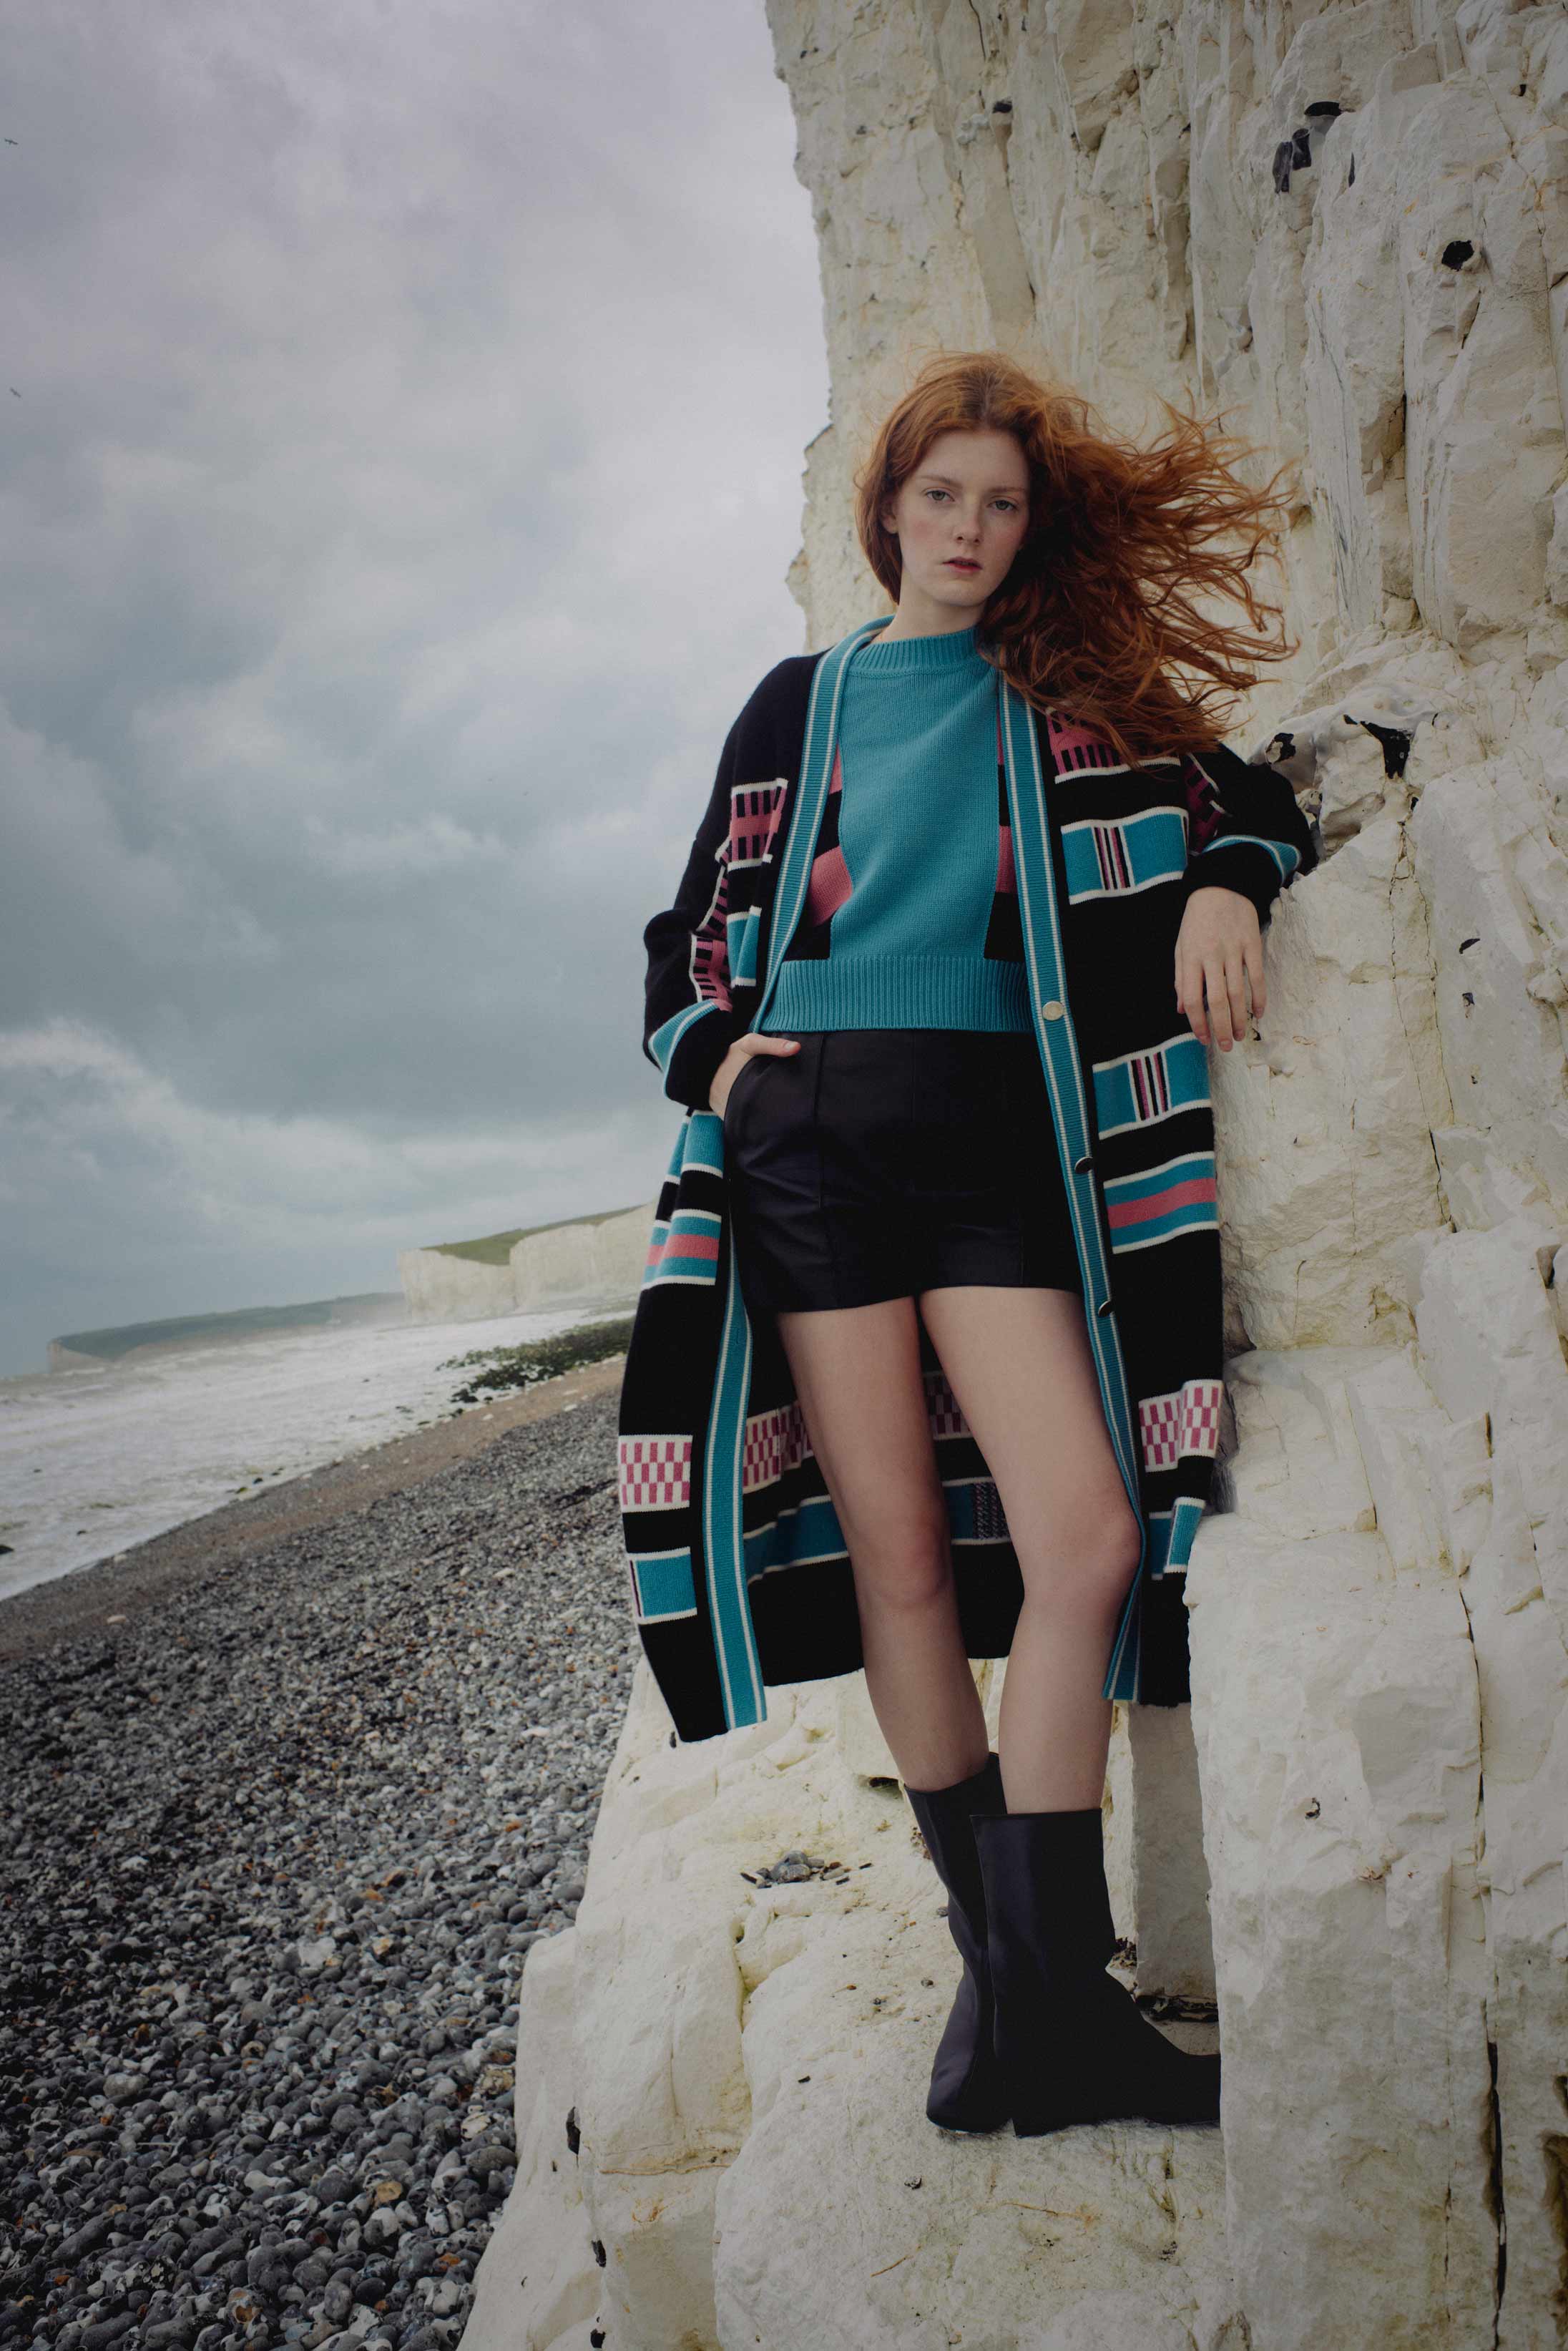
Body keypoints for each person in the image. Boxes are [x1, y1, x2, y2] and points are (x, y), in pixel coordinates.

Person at [626, 349, 1317, 2139]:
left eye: (1001, 503)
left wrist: (1230, 878)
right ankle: (1017, 1997)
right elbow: (683, 933)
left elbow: (1246, 786)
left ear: (1027, 530)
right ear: (888, 507)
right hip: (814, 1137)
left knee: (1084, 1530)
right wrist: (712, 1056)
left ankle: (1036, 2003)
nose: (970, 528)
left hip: (1000, 1140)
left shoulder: (1065, 692)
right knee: (900, 1556)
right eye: (943, 494)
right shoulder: (799, 700)